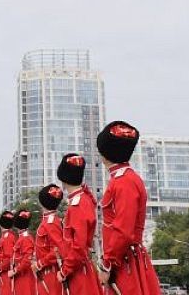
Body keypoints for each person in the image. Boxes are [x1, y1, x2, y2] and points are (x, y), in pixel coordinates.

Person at [95, 121, 160, 295]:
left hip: (124, 262)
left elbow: (123, 231)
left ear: (106, 152)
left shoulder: (124, 182)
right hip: (123, 259)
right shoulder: (124, 178)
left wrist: (106, 264)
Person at [56, 153, 99, 295]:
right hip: (80, 269)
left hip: (78, 273)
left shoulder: (78, 204)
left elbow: (78, 246)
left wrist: (64, 271)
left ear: (63, 179)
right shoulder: (83, 199)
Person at [33, 185, 64, 295]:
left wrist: (39, 264)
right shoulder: (47, 220)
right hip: (45, 273)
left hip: (50, 273)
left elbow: (57, 250)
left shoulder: (51, 222)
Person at [10, 210, 36, 295]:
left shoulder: (26, 238)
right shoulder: (22, 237)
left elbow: (27, 260)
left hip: (25, 277)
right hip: (20, 277)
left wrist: (15, 270)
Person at [0, 211, 15, 295]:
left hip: (5, 273)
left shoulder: (8, 237)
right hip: (3, 273)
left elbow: (9, 257)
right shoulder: (6, 236)